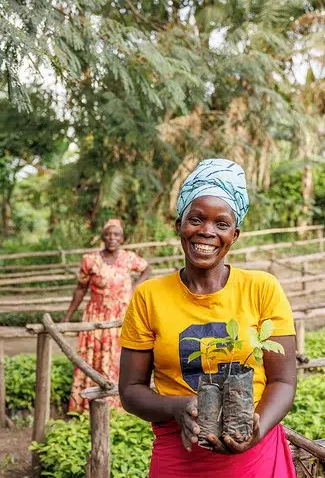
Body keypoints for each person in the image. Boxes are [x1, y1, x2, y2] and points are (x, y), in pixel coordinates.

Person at [118, 159, 297, 478]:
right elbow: (131, 390)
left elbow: (282, 380)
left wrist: (256, 430)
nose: (207, 231)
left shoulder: (262, 288)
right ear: (179, 225)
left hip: (254, 455)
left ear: (235, 234)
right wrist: (176, 407)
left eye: (221, 223)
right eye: (196, 219)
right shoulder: (149, 296)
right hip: (180, 454)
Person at [64, 218, 151, 412]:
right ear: (103, 237)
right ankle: (87, 406)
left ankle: (119, 407)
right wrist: (68, 316)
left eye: (116, 235)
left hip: (121, 318)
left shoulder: (129, 258)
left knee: (120, 360)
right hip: (96, 317)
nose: (112, 238)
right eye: (109, 234)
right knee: (92, 360)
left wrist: (136, 287)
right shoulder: (90, 260)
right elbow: (80, 289)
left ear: (122, 238)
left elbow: (147, 268)